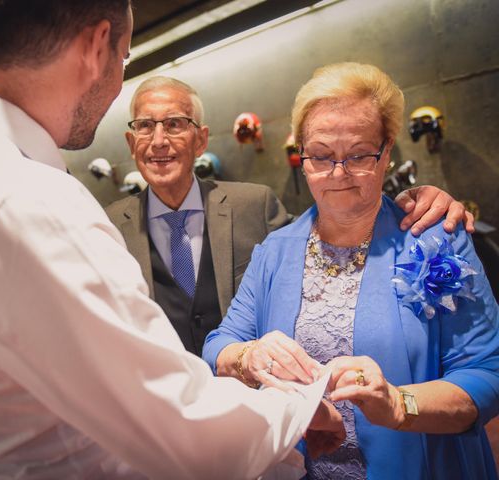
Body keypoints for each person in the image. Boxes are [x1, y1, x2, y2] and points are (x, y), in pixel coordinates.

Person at [0, 2, 346, 479]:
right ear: (96, 47)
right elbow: (188, 432)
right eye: (125, 58)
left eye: (174, 124)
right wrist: (300, 403)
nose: (157, 139)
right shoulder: (30, 200)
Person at [203, 62, 499, 479]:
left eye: (359, 155)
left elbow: (487, 372)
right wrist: (251, 358)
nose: (338, 174)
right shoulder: (276, 251)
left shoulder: (435, 241)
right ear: (302, 156)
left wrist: (399, 404)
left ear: (387, 150)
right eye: (321, 156)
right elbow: (219, 346)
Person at [107, 76, 473, 356]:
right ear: (130, 142)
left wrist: (420, 199)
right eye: (144, 125)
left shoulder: (254, 205)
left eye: (173, 124)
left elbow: (336, 230)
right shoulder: (105, 228)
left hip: (259, 411)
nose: (157, 141)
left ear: (201, 140)